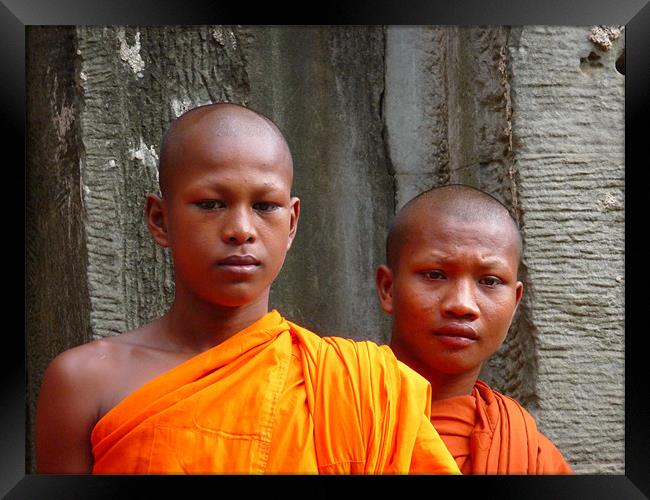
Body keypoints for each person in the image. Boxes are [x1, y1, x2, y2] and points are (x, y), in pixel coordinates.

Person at [35, 102, 460, 475]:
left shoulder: (359, 390)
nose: (241, 230)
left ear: (291, 223)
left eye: (264, 206)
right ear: (160, 221)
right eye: (211, 204)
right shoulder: (84, 382)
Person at [375, 184, 572, 474]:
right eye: (435, 275)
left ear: (516, 302)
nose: (462, 304)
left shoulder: (532, 458)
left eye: (490, 281)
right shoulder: (329, 412)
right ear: (388, 288)